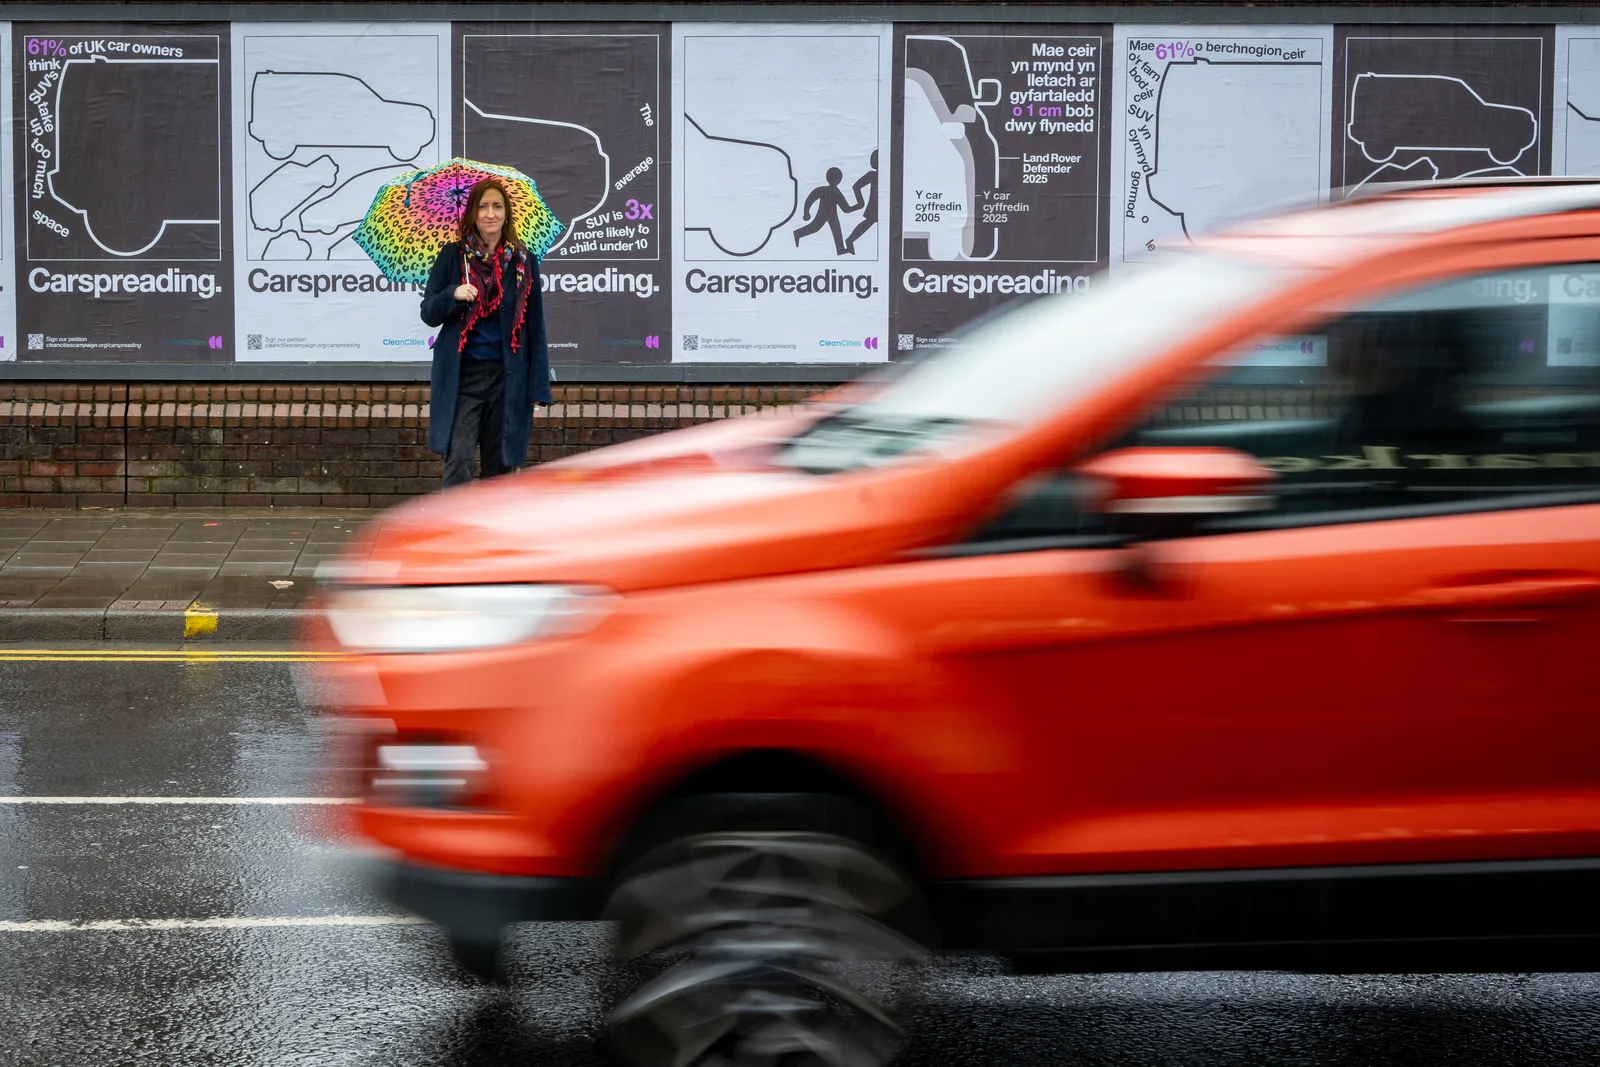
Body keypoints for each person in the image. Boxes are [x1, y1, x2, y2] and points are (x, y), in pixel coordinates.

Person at [420, 178, 551, 488]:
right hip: (463, 376)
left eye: (497, 206)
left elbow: (535, 326)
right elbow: (428, 313)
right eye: (482, 206)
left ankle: (492, 520)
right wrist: (452, 294)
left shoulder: (522, 261)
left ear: (506, 213)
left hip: (507, 378)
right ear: (472, 213)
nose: (490, 214)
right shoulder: (454, 256)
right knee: (459, 458)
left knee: (500, 465)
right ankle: (456, 518)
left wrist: (538, 387)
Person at [793, 167, 857, 256]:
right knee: (815, 228)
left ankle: (840, 249)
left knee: (836, 230)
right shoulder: (827, 190)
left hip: (832, 215)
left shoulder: (834, 192)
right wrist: (806, 212)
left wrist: (857, 206)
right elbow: (810, 199)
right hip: (823, 214)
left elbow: (845, 209)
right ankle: (797, 233)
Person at [844, 150, 878, 255]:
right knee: (868, 223)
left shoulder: (887, 175)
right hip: (876, 206)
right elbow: (856, 186)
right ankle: (850, 240)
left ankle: (850, 240)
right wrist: (860, 202)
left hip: (884, 206)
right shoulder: (873, 175)